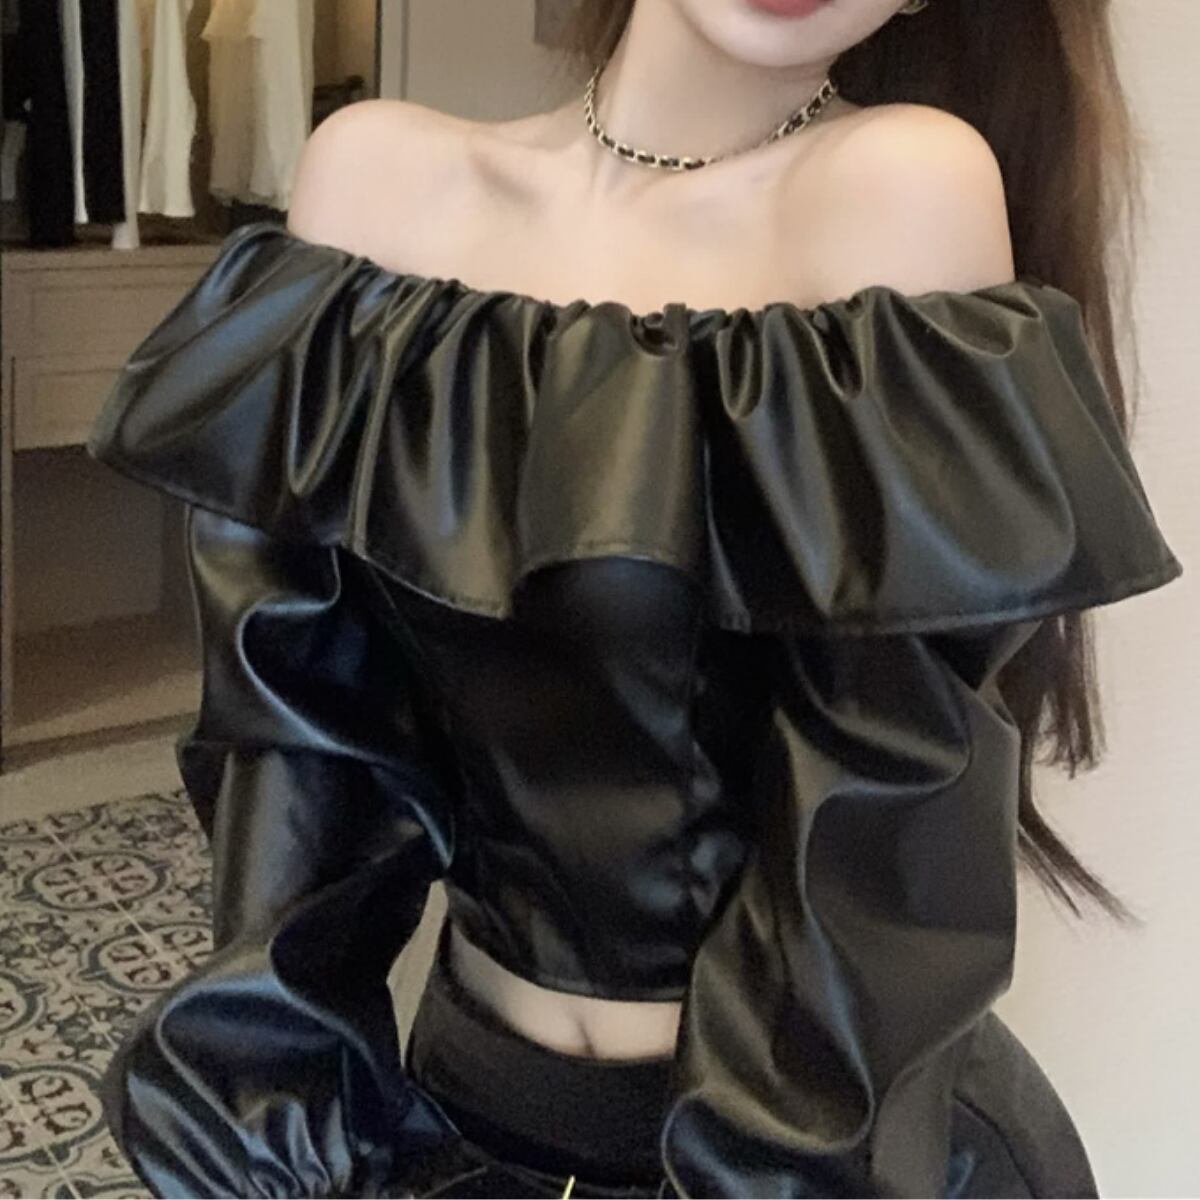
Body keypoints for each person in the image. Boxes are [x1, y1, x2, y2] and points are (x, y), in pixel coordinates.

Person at [85, 0, 1184, 1196]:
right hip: (465, 1102)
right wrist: (274, 1139)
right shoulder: (373, 184)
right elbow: (299, 767)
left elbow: (873, 831)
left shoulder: (902, 188)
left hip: (809, 1153)